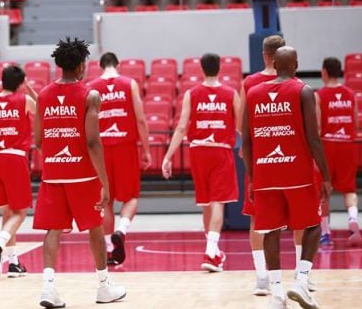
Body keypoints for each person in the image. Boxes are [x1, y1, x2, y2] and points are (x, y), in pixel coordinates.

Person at [33, 37, 126, 309]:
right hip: (83, 175)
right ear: (82, 65)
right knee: (95, 229)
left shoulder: (43, 95)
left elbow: (38, 140)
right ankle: (103, 286)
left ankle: (48, 287)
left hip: (53, 173)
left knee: (52, 230)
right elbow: (93, 142)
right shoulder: (90, 95)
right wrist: (105, 183)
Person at [241, 46, 330, 309]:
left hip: (265, 173)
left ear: (273, 63)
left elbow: (246, 141)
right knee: (313, 224)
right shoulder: (303, 90)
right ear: (296, 64)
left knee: (271, 231)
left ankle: (277, 296)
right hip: (297, 174)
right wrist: (325, 175)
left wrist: (252, 177)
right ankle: (302, 281)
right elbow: (313, 138)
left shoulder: (253, 93)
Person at [163, 53, 240, 272]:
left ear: (201, 69)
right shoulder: (231, 94)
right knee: (218, 202)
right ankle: (211, 251)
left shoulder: (191, 93)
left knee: (207, 202)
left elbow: (180, 128)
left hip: (197, 151)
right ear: (220, 68)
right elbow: (242, 126)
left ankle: (213, 252)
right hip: (220, 151)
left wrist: (168, 156)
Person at [88, 52, 151, 265]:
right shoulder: (130, 83)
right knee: (131, 196)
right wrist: (147, 149)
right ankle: (121, 231)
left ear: (100, 66)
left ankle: (107, 248)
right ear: (118, 65)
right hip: (126, 147)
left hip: (102, 150)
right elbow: (141, 119)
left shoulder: (92, 87)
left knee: (105, 200)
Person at [0, 65, 36, 277]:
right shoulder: (24, 101)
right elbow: (46, 110)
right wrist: (29, 89)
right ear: (20, 84)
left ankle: (13, 263)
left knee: (8, 211)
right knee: (20, 211)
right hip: (14, 158)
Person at [240, 35, 284, 295]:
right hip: (290, 157)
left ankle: (262, 277)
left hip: (260, 158)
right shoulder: (295, 83)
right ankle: (303, 276)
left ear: (264, 54)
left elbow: (240, 126)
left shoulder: (250, 83)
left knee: (258, 217)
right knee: (300, 219)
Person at [315, 57, 361, 246]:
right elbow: (356, 124)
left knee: (324, 191)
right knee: (349, 189)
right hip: (348, 145)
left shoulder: (319, 95)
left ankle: (326, 234)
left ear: (324, 72)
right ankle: (353, 219)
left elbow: (317, 127)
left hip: (328, 146)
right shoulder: (350, 94)